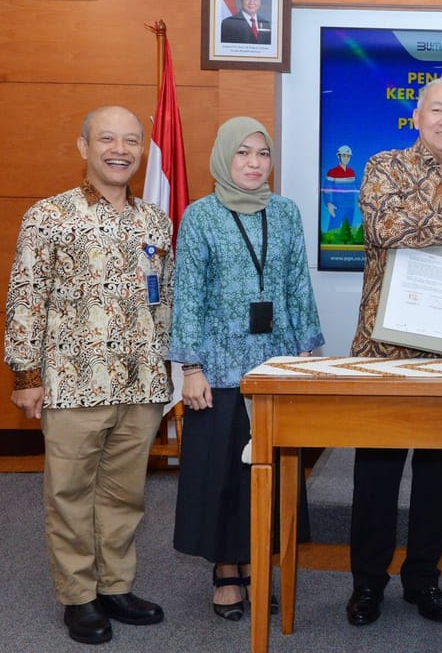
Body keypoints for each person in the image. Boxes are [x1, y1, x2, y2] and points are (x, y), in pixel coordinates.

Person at [4, 105, 173, 645]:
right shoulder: (48, 216)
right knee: (71, 494)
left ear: (141, 151)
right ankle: (79, 597)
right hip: (73, 383)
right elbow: (25, 299)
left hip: (141, 383)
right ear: (84, 147)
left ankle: (116, 586)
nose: (119, 150)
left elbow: (163, 301)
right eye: (107, 139)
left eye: (130, 140)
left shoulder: (155, 221)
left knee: (124, 495)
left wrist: (174, 366)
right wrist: (25, 374)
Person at [346, 76, 442, 627]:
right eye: (436, 109)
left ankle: (423, 580)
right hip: (383, 351)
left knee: (438, 477)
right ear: (416, 116)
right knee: (375, 475)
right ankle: (367, 583)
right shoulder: (383, 167)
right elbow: (386, 228)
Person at [169, 117, 324, 620]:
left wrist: (307, 353)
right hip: (216, 370)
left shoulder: (285, 213)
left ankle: (260, 561)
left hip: (275, 366)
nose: (254, 163)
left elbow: (298, 284)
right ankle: (226, 571)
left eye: (262, 153)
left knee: (272, 473)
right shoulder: (200, 216)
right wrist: (190, 366)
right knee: (221, 476)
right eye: (243, 153)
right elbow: (187, 295)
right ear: (223, 158)